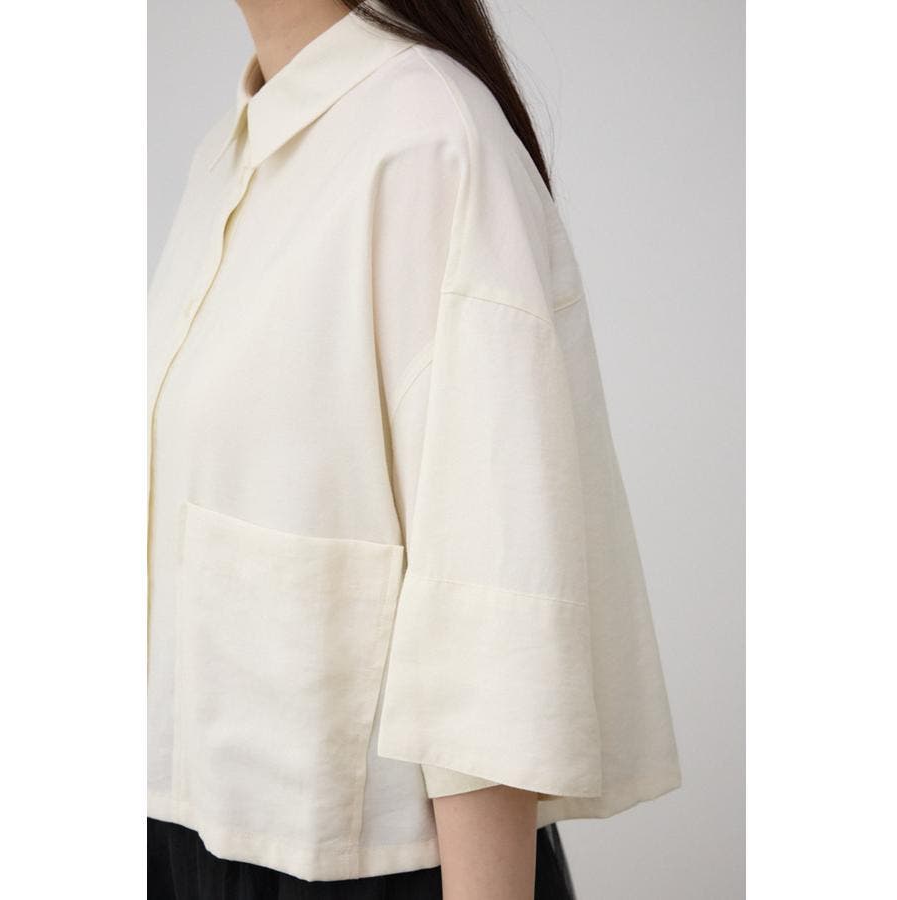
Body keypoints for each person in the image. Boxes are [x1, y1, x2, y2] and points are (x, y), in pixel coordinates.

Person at [146, 1, 682, 897]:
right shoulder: (231, 152)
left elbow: (492, 606)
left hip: (363, 868)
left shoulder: (429, 137)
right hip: (185, 833)